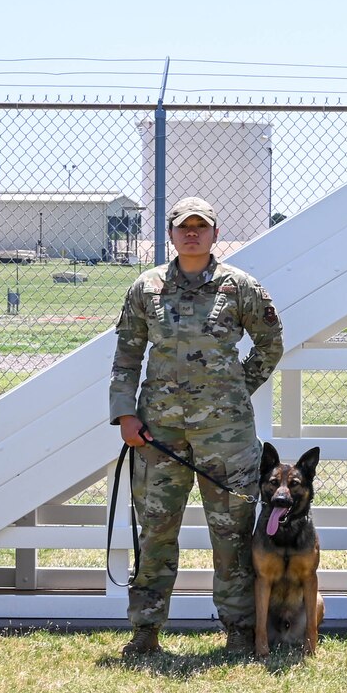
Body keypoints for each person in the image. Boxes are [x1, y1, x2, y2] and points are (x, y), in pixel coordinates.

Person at [109, 197, 284, 658]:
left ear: (214, 234)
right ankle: (145, 631)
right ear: (170, 235)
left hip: (225, 439)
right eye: (183, 227)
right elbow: (127, 355)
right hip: (158, 437)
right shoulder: (146, 287)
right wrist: (125, 414)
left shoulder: (238, 286)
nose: (191, 234)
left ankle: (240, 630)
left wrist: (234, 390)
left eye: (200, 227)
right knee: (156, 533)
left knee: (231, 536)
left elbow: (270, 343)